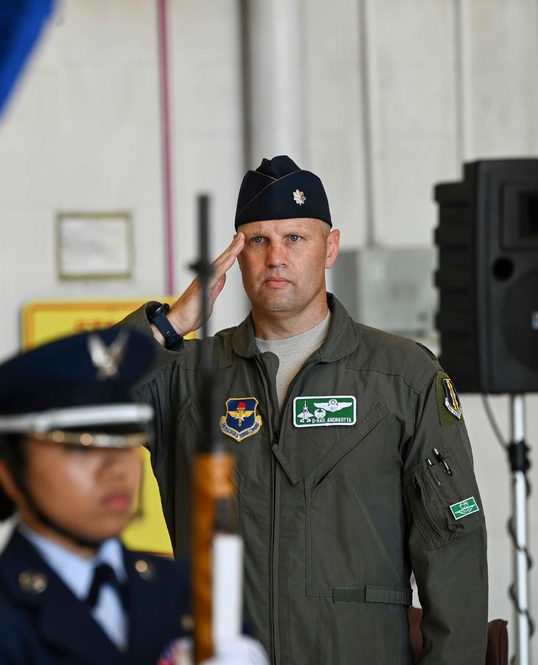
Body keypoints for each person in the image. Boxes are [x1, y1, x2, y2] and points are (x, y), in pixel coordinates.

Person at [120, 155, 488, 663]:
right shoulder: (185, 378)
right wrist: (171, 323)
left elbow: (453, 546)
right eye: (258, 240)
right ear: (235, 255)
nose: (276, 257)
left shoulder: (403, 377)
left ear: (329, 247)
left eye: (295, 238)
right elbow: (62, 410)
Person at [0, 328, 269, 665]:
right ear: (10, 475)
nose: (116, 469)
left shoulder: (187, 591)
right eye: (81, 450)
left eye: (125, 443)